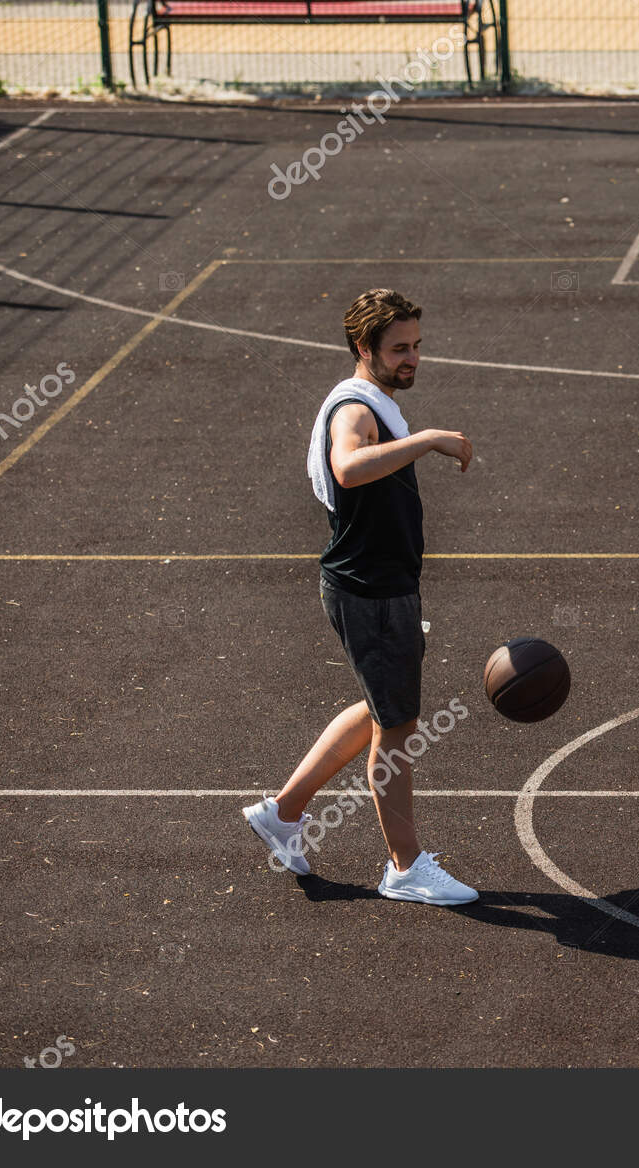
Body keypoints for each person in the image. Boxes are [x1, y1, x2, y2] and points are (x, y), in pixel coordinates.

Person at [242, 288, 478, 904]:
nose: (412, 359)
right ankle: (404, 866)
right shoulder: (355, 409)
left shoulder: (374, 401)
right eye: (398, 348)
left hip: (378, 587)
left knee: (383, 711)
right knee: (397, 729)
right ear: (362, 347)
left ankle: (284, 812)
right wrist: (428, 439)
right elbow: (347, 467)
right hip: (371, 593)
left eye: (417, 346)